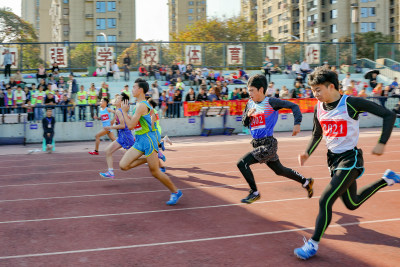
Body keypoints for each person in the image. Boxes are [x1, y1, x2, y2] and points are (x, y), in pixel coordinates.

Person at [294, 66, 398, 260]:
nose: (314, 94)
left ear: (331, 86)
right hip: (333, 160)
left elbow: (389, 115)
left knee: (325, 200)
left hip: (350, 159)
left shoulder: (350, 103)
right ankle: (387, 179)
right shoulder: (320, 107)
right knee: (352, 203)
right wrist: (307, 153)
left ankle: (312, 244)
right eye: (313, 90)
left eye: (318, 90)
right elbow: (317, 133)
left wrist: (382, 143)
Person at [238, 74, 314, 204]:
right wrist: (248, 116)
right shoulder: (249, 104)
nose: (248, 93)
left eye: (251, 90)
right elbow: (245, 123)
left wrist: (297, 123)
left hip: (268, 144)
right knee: (280, 170)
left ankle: (254, 193)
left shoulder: (271, 102)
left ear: (261, 90)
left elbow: (294, 106)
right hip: (257, 144)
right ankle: (306, 182)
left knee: (242, 163)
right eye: (248, 90)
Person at [118, 78, 183, 205]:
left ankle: (175, 192)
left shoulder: (142, 105)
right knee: (123, 165)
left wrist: (124, 112)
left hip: (148, 141)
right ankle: (150, 158)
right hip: (140, 140)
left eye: (134, 87)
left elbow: (130, 125)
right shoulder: (139, 105)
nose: (132, 89)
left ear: (140, 90)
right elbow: (139, 123)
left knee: (155, 172)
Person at [99, 93, 134, 178]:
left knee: (137, 156)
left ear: (122, 102)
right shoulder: (119, 110)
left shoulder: (119, 111)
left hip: (126, 137)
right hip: (121, 136)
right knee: (108, 151)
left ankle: (155, 154)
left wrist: (111, 127)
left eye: (118, 99)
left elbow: (123, 125)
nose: (116, 100)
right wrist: (114, 121)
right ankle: (110, 172)